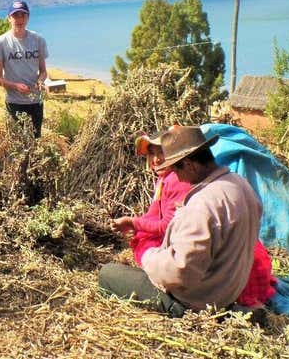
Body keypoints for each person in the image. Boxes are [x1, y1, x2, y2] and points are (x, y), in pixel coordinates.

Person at [98, 125, 263, 317]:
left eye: (176, 168)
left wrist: (149, 257)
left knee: (108, 274)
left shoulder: (203, 204)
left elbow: (180, 272)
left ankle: (215, 315)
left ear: (190, 164)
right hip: (227, 288)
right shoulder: (240, 184)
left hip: (197, 300)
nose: (176, 176)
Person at [110, 130, 192, 266]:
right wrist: (135, 225)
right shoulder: (163, 179)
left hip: (178, 245)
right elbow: (154, 214)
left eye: (162, 152)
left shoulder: (177, 180)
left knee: (146, 247)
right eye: (152, 153)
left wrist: (133, 222)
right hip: (168, 236)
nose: (156, 159)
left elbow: (167, 226)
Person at [0, 0, 48, 137]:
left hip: (36, 101)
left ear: (28, 17)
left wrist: (40, 82)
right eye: (15, 15)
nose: (20, 19)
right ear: (9, 18)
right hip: (14, 103)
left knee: (35, 143)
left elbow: (44, 72)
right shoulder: (0, 43)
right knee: (17, 146)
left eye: (23, 15)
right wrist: (15, 86)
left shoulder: (38, 40)